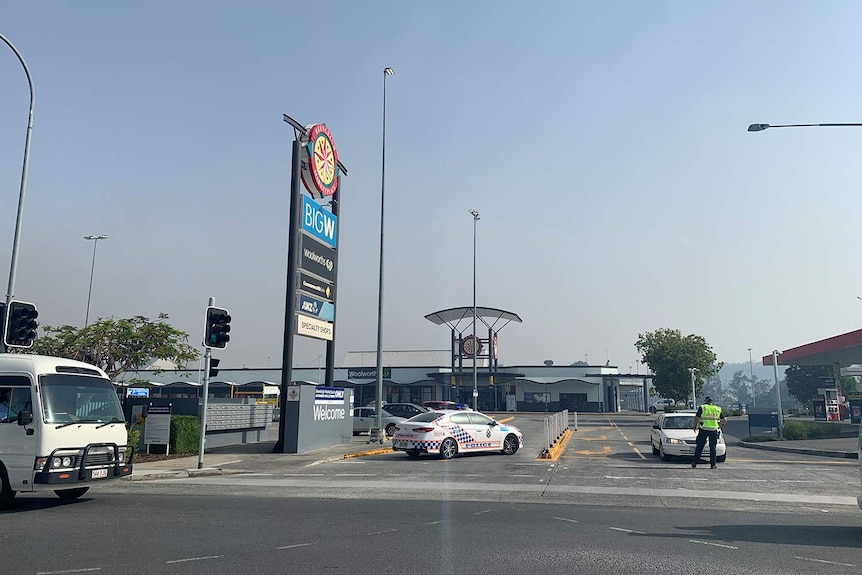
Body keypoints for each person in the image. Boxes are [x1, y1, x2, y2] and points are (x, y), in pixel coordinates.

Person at [691, 396, 727, 469]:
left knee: (699, 447)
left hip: (703, 429)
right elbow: (725, 420)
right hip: (713, 430)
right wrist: (719, 425)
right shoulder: (717, 409)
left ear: (705, 401)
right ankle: (713, 465)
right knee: (713, 448)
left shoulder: (703, 407)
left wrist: (695, 426)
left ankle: (695, 463)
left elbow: (696, 418)